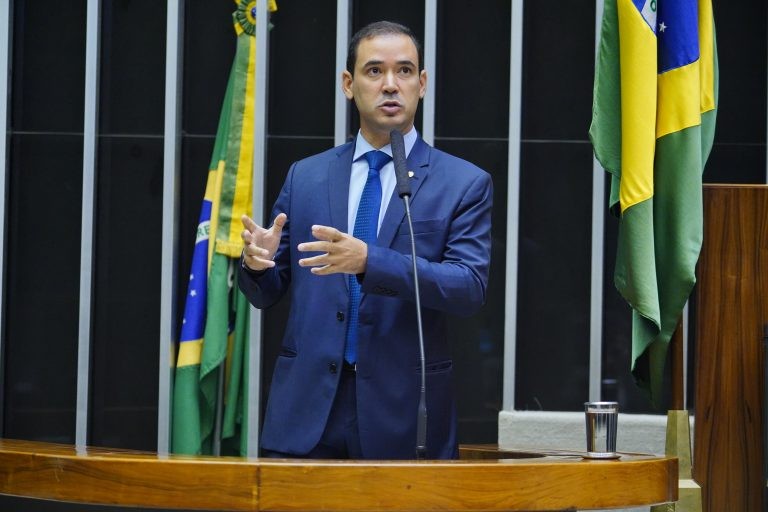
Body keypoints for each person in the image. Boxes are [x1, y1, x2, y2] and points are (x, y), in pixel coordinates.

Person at [238, 21, 492, 460]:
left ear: (422, 84)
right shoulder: (308, 176)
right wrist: (257, 266)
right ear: (348, 85)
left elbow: (468, 287)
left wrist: (369, 261)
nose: (390, 85)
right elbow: (269, 290)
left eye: (405, 71)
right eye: (374, 71)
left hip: (403, 411)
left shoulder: (463, 182)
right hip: (307, 412)